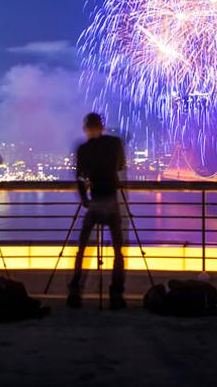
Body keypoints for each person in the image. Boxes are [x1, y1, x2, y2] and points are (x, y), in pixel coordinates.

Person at [68, 112, 127, 310]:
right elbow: (120, 166)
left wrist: (85, 199)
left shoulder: (83, 149)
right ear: (102, 127)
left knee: (82, 249)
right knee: (118, 251)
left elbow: (80, 177)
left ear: (86, 129)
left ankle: (75, 292)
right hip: (111, 201)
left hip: (94, 203)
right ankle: (116, 296)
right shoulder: (115, 143)